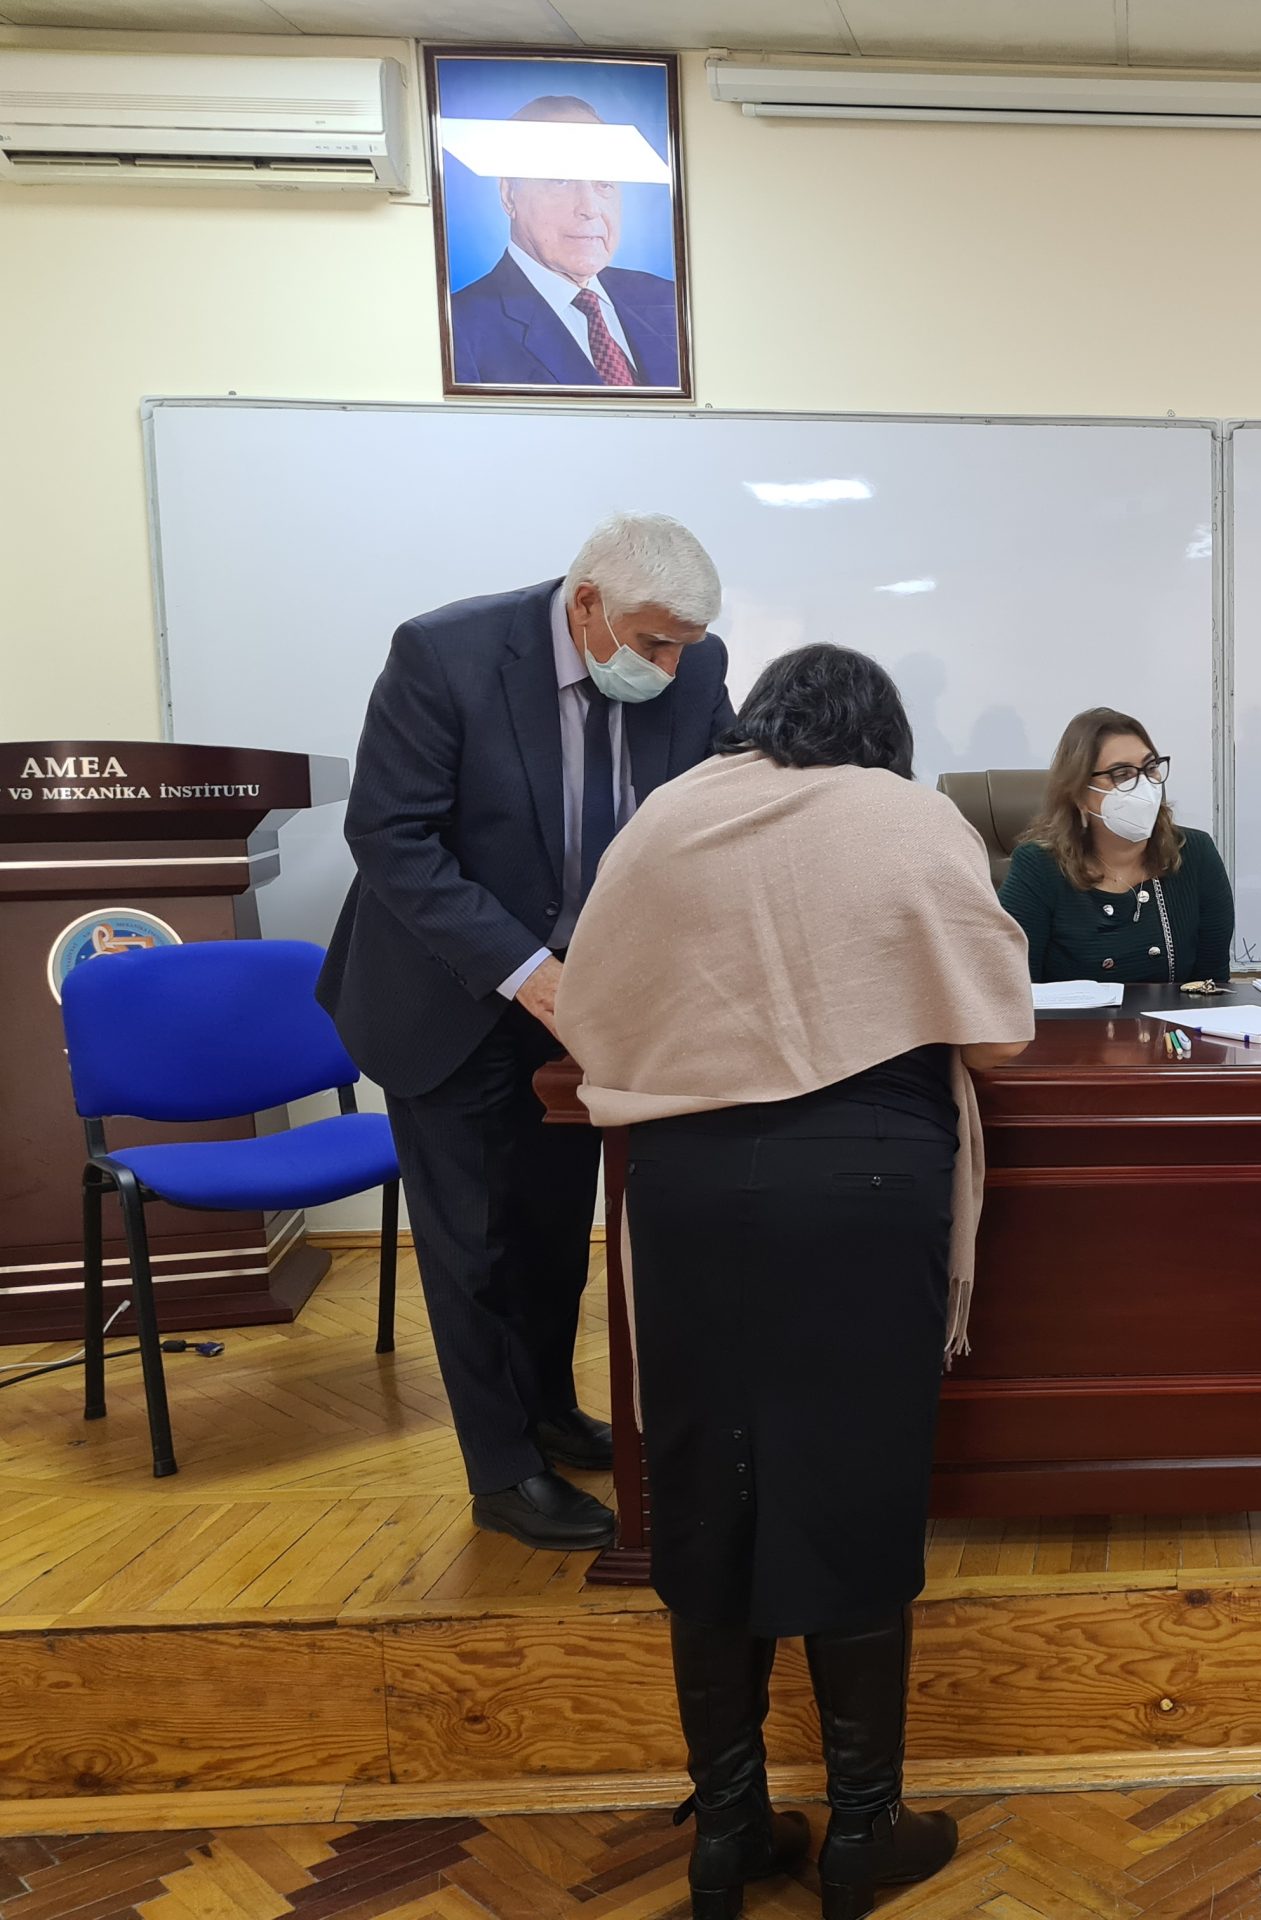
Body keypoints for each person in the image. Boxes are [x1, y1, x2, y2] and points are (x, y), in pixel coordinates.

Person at [557, 644, 1033, 1920]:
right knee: (854, 1484)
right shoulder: (906, 814)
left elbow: (589, 1007)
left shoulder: (669, 816)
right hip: (865, 1179)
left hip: (687, 1184)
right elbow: (996, 1034)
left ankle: (727, 1829)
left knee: (706, 1483)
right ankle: (864, 1831)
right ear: (882, 733)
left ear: (756, 717)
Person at [317, 513, 732, 1551]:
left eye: (684, 647)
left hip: (589, 1003)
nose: (669, 668)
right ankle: (501, 1471)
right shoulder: (446, 653)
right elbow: (390, 834)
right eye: (653, 643)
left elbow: (711, 821)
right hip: (448, 992)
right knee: (473, 1245)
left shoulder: (696, 665)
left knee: (552, 1232)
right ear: (586, 604)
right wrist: (527, 971)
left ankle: (548, 1411)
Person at [447, 96, 683, 390]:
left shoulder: (668, 299)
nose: (590, 208)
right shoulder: (458, 329)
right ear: (509, 195)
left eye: (604, 184)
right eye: (561, 181)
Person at [999, 708, 1234, 985]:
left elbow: (1212, 985)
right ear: (1080, 794)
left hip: (1174, 1016)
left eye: (1150, 768)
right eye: (1122, 774)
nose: (1144, 785)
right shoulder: (1038, 866)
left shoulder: (1195, 853)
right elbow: (1009, 989)